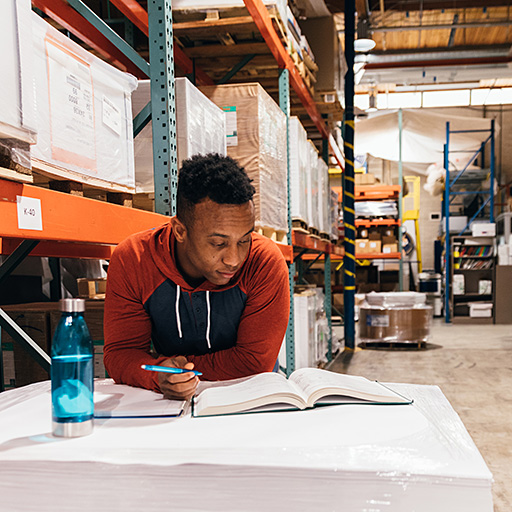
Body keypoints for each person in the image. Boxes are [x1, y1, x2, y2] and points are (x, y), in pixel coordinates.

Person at [104, 153, 290, 401]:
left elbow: (254, 361)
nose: (234, 259)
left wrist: (173, 371)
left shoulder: (264, 262)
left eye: (244, 240)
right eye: (218, 243)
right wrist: (159, 377)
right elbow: (121, 353)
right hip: (170, 400)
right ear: (180, 231)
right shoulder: (134, 260)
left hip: (249, 394)